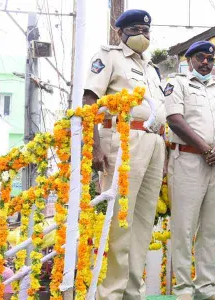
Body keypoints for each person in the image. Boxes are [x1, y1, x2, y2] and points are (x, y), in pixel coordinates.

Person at [83, 9, 166, 299]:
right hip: (123, 140)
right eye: (134, 29)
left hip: (154, 142)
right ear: (120, 33)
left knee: (143, 223)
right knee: (120, 220)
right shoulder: (109, 56)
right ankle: (112, 292)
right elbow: (89, 99)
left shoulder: (151, 68)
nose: (141, 34)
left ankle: (133, 290)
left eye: (145, 29)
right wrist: (92, 145)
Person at [164, 41, 215, 300]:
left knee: (212, 226)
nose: (205, 62)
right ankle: (183, 288)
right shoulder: (178, 83)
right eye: (200, 57)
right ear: (189, 59)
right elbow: (175, 120)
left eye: (209, 57)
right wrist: (207, 148)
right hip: (187, 160)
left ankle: (206, 287)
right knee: (184, 226)